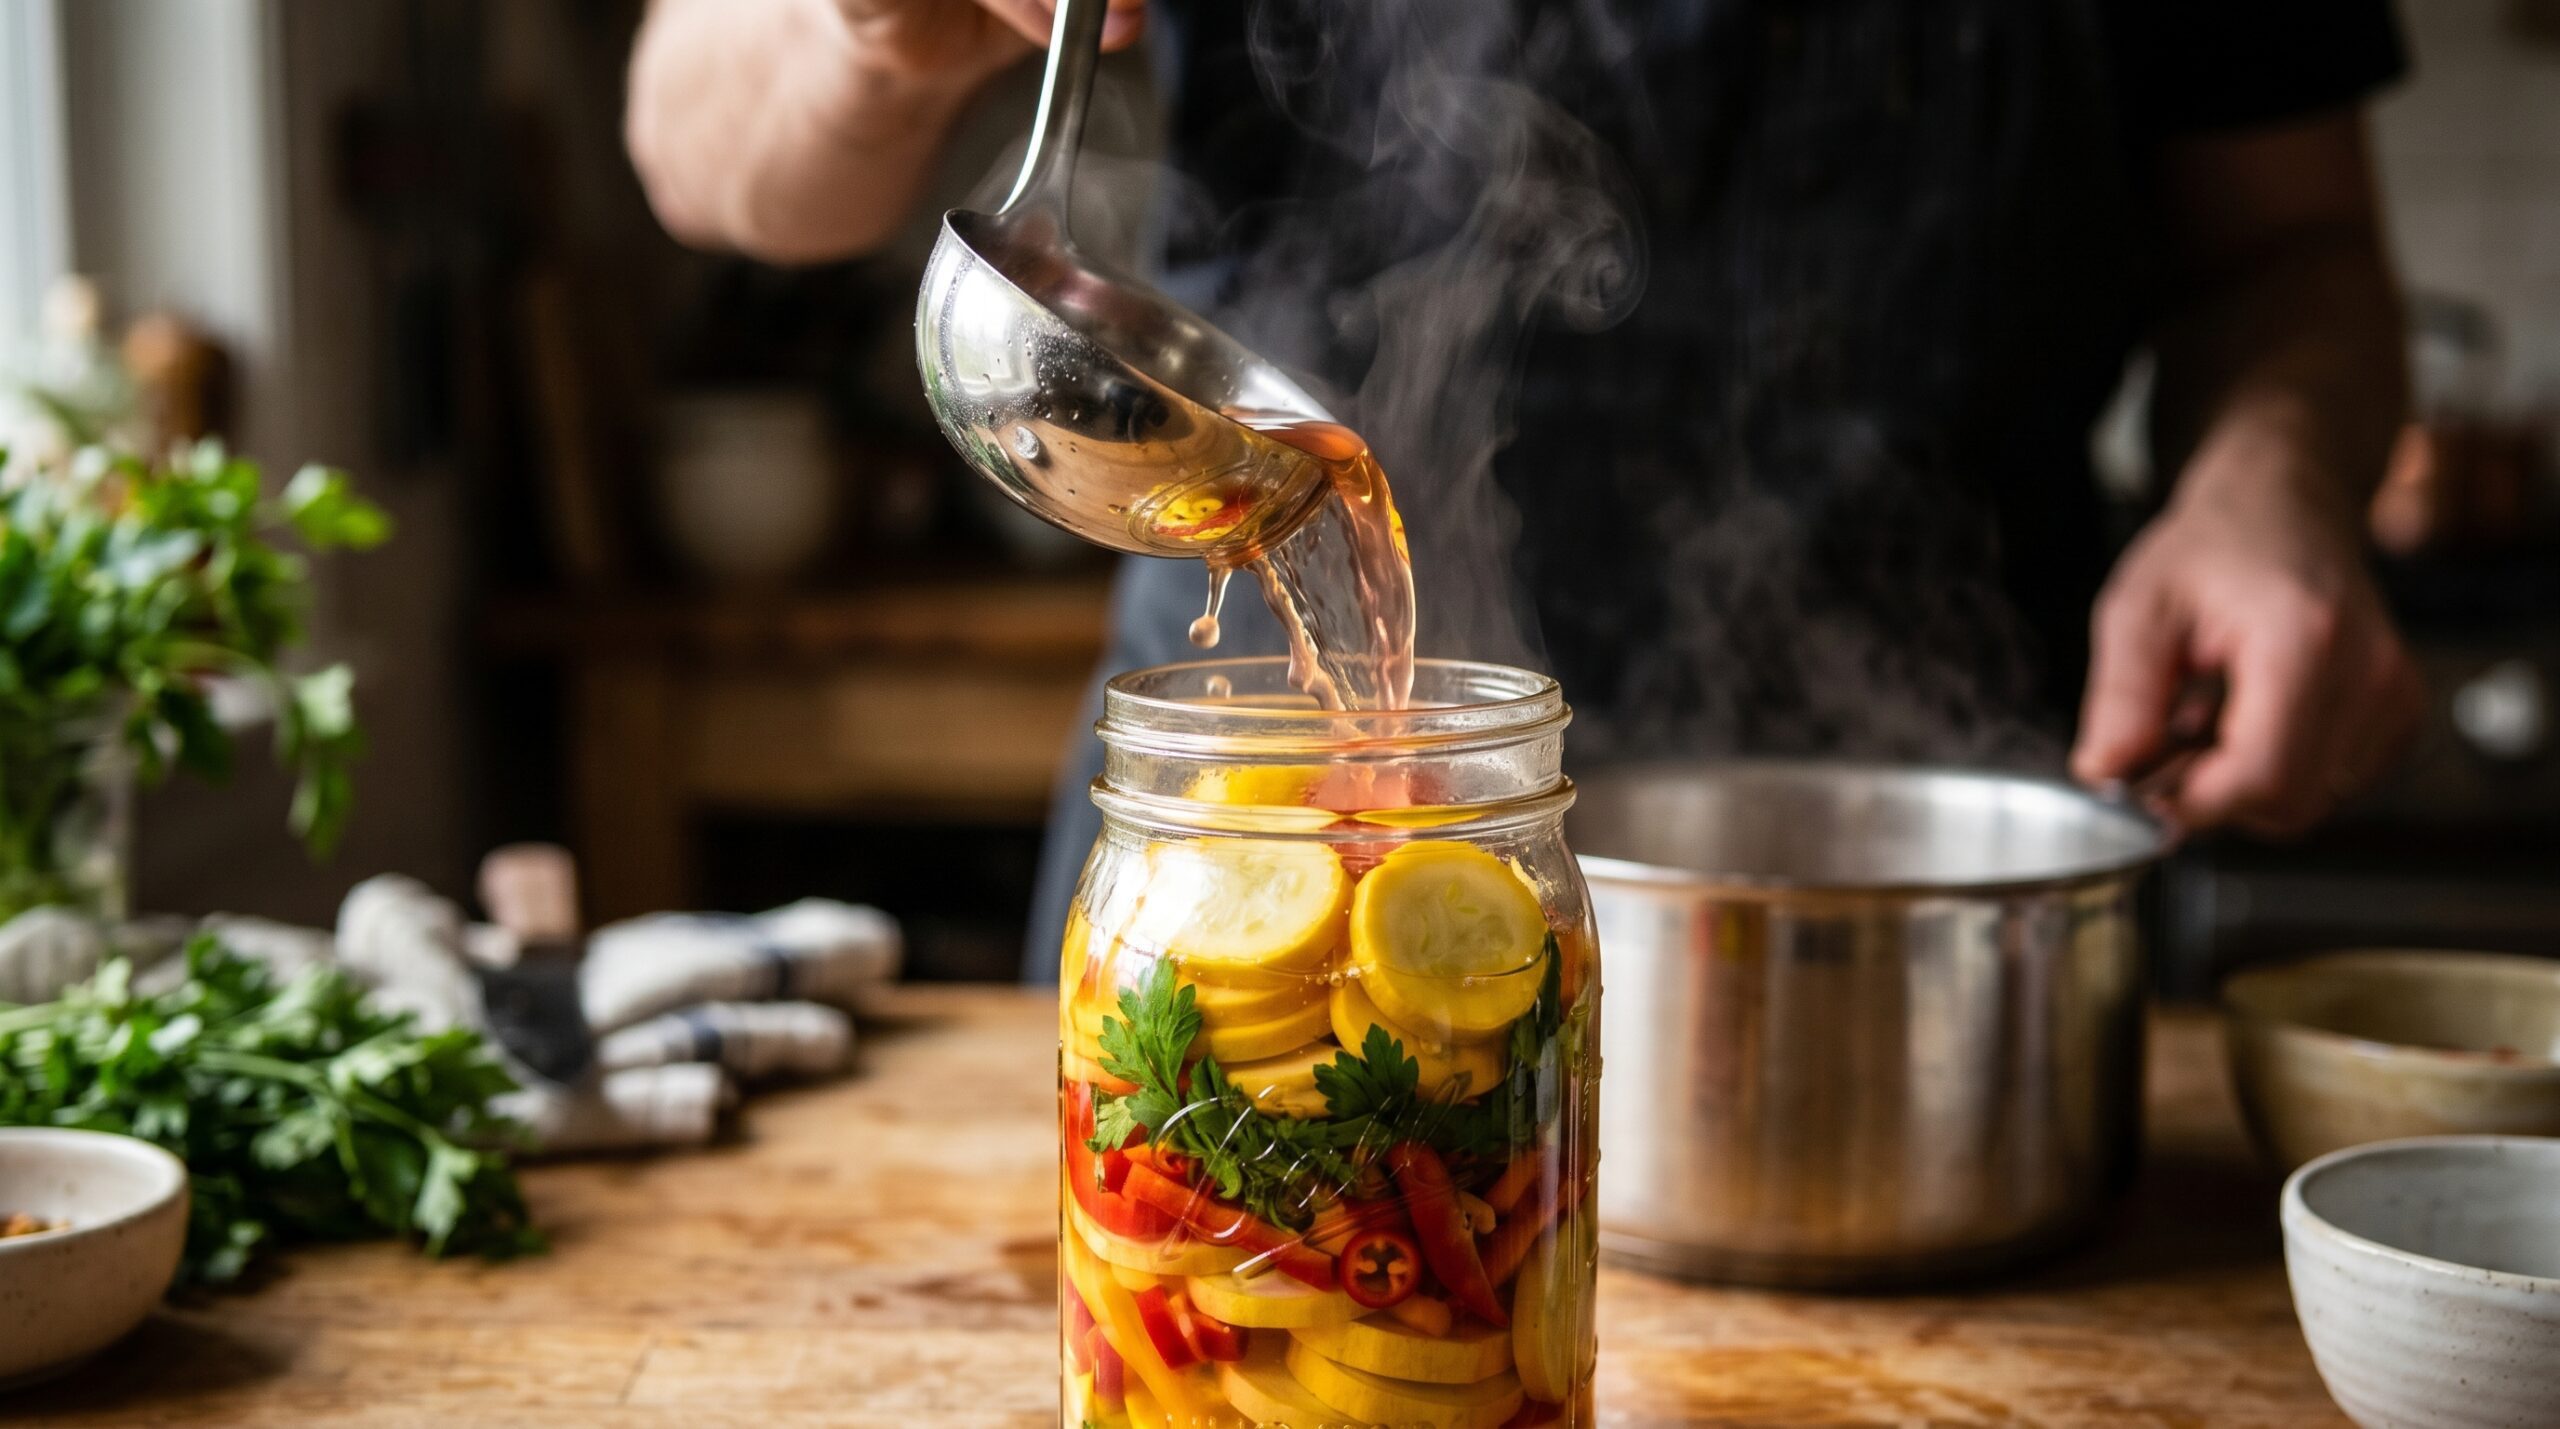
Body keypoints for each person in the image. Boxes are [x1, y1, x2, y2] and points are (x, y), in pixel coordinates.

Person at [627, 0, 2426, 979]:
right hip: (1282, 836)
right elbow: (695, 137)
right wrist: (862, 31)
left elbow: (2298, 250)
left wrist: (2270, 477)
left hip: (1931, 883)